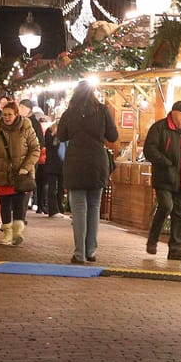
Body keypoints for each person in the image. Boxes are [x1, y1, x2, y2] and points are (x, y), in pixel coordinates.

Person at [57, 82, 117, 264]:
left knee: (79, 210)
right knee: (94, 208)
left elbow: (61, 136)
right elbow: (113, 136)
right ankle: (91, 251)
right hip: (97, 163)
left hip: (75, 163)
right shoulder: (102, 110)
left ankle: (79, 253)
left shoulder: (69, 113)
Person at [142, 99, 181, 261]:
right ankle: (152, 240)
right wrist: (165, 162)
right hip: (164, 178)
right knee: (166, 206)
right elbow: (149, 149)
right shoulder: (160, 128)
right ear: (174, 114)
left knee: (179, 213)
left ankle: (175, 249)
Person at [0, 98, 40, 247]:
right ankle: (7, 234)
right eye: (4, 115)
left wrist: (25, 168)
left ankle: (17, 232)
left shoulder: (26, 126)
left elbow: (35, 149)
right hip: (1, 172)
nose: (7, 117)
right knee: (4, 204)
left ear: (16, 114)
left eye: (9, 114)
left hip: (20, 173)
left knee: (19, 204)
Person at [35, 113, 64, 217]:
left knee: (54, 187)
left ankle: (56, 209)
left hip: (52, 163)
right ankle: (56, 209)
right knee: (56, 187)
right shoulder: (55, 132)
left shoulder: (49, 131)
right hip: (58, 163)